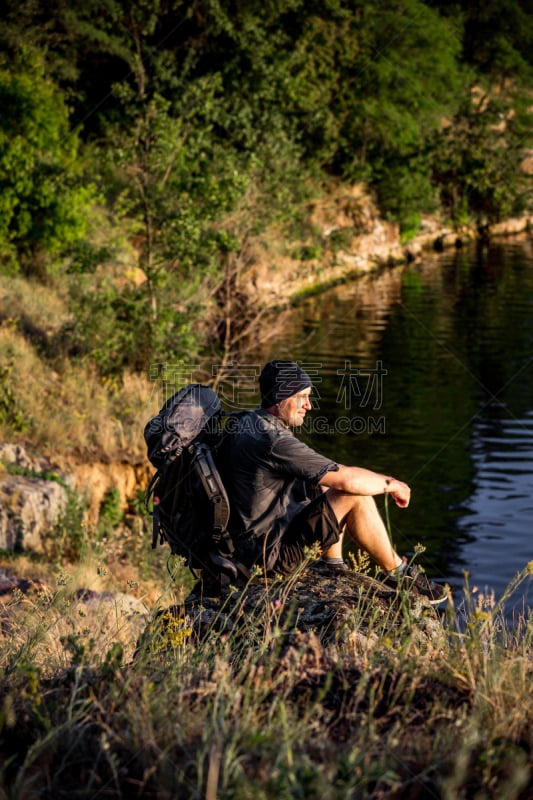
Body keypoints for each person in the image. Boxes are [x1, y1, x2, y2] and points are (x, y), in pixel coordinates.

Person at [217, 359, 447, 604]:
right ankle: (398, 575)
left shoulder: (246, 421)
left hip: (247, 545)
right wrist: (393, 484)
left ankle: (332, 564)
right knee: (352, 494)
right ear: (281, 397)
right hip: (266, 559)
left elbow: (330, 473)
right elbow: (348, 480)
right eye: (302, 397)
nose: (309, 405)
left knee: (323, 482)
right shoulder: (273, 440)